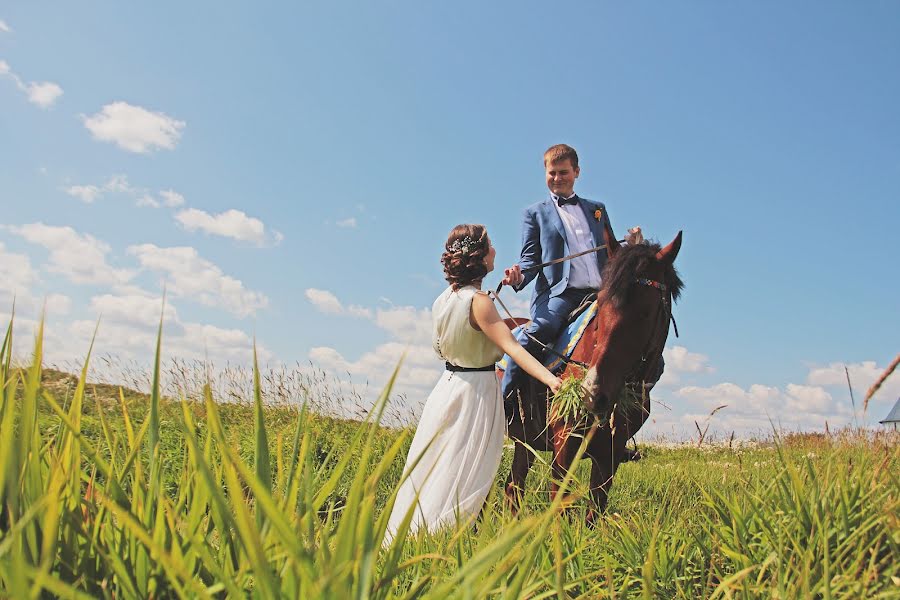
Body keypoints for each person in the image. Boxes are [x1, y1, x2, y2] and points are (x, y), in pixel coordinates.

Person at [384, 224, 562, 543]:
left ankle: (414, 538)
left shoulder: (442, 300)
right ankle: (452, 539)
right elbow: (513, 349)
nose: (495, 249)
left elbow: (440, 348)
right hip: (476, 393)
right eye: (490, 244)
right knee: (468, 473)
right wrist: (552, 380)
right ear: (479, 256)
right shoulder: (481, 303)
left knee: (436, 467)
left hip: (447, 386)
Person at [500, 144, 645, 408]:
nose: (557, 178)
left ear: (577, 172)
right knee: (538, 331)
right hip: (560, 294)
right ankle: (505, 400)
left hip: (601, 293)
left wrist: (632, 247)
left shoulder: (596, 209)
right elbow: (530, 260)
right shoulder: (534, 213)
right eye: (552, 173)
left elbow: (612, 252)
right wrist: (517, 277)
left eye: (563, 172)